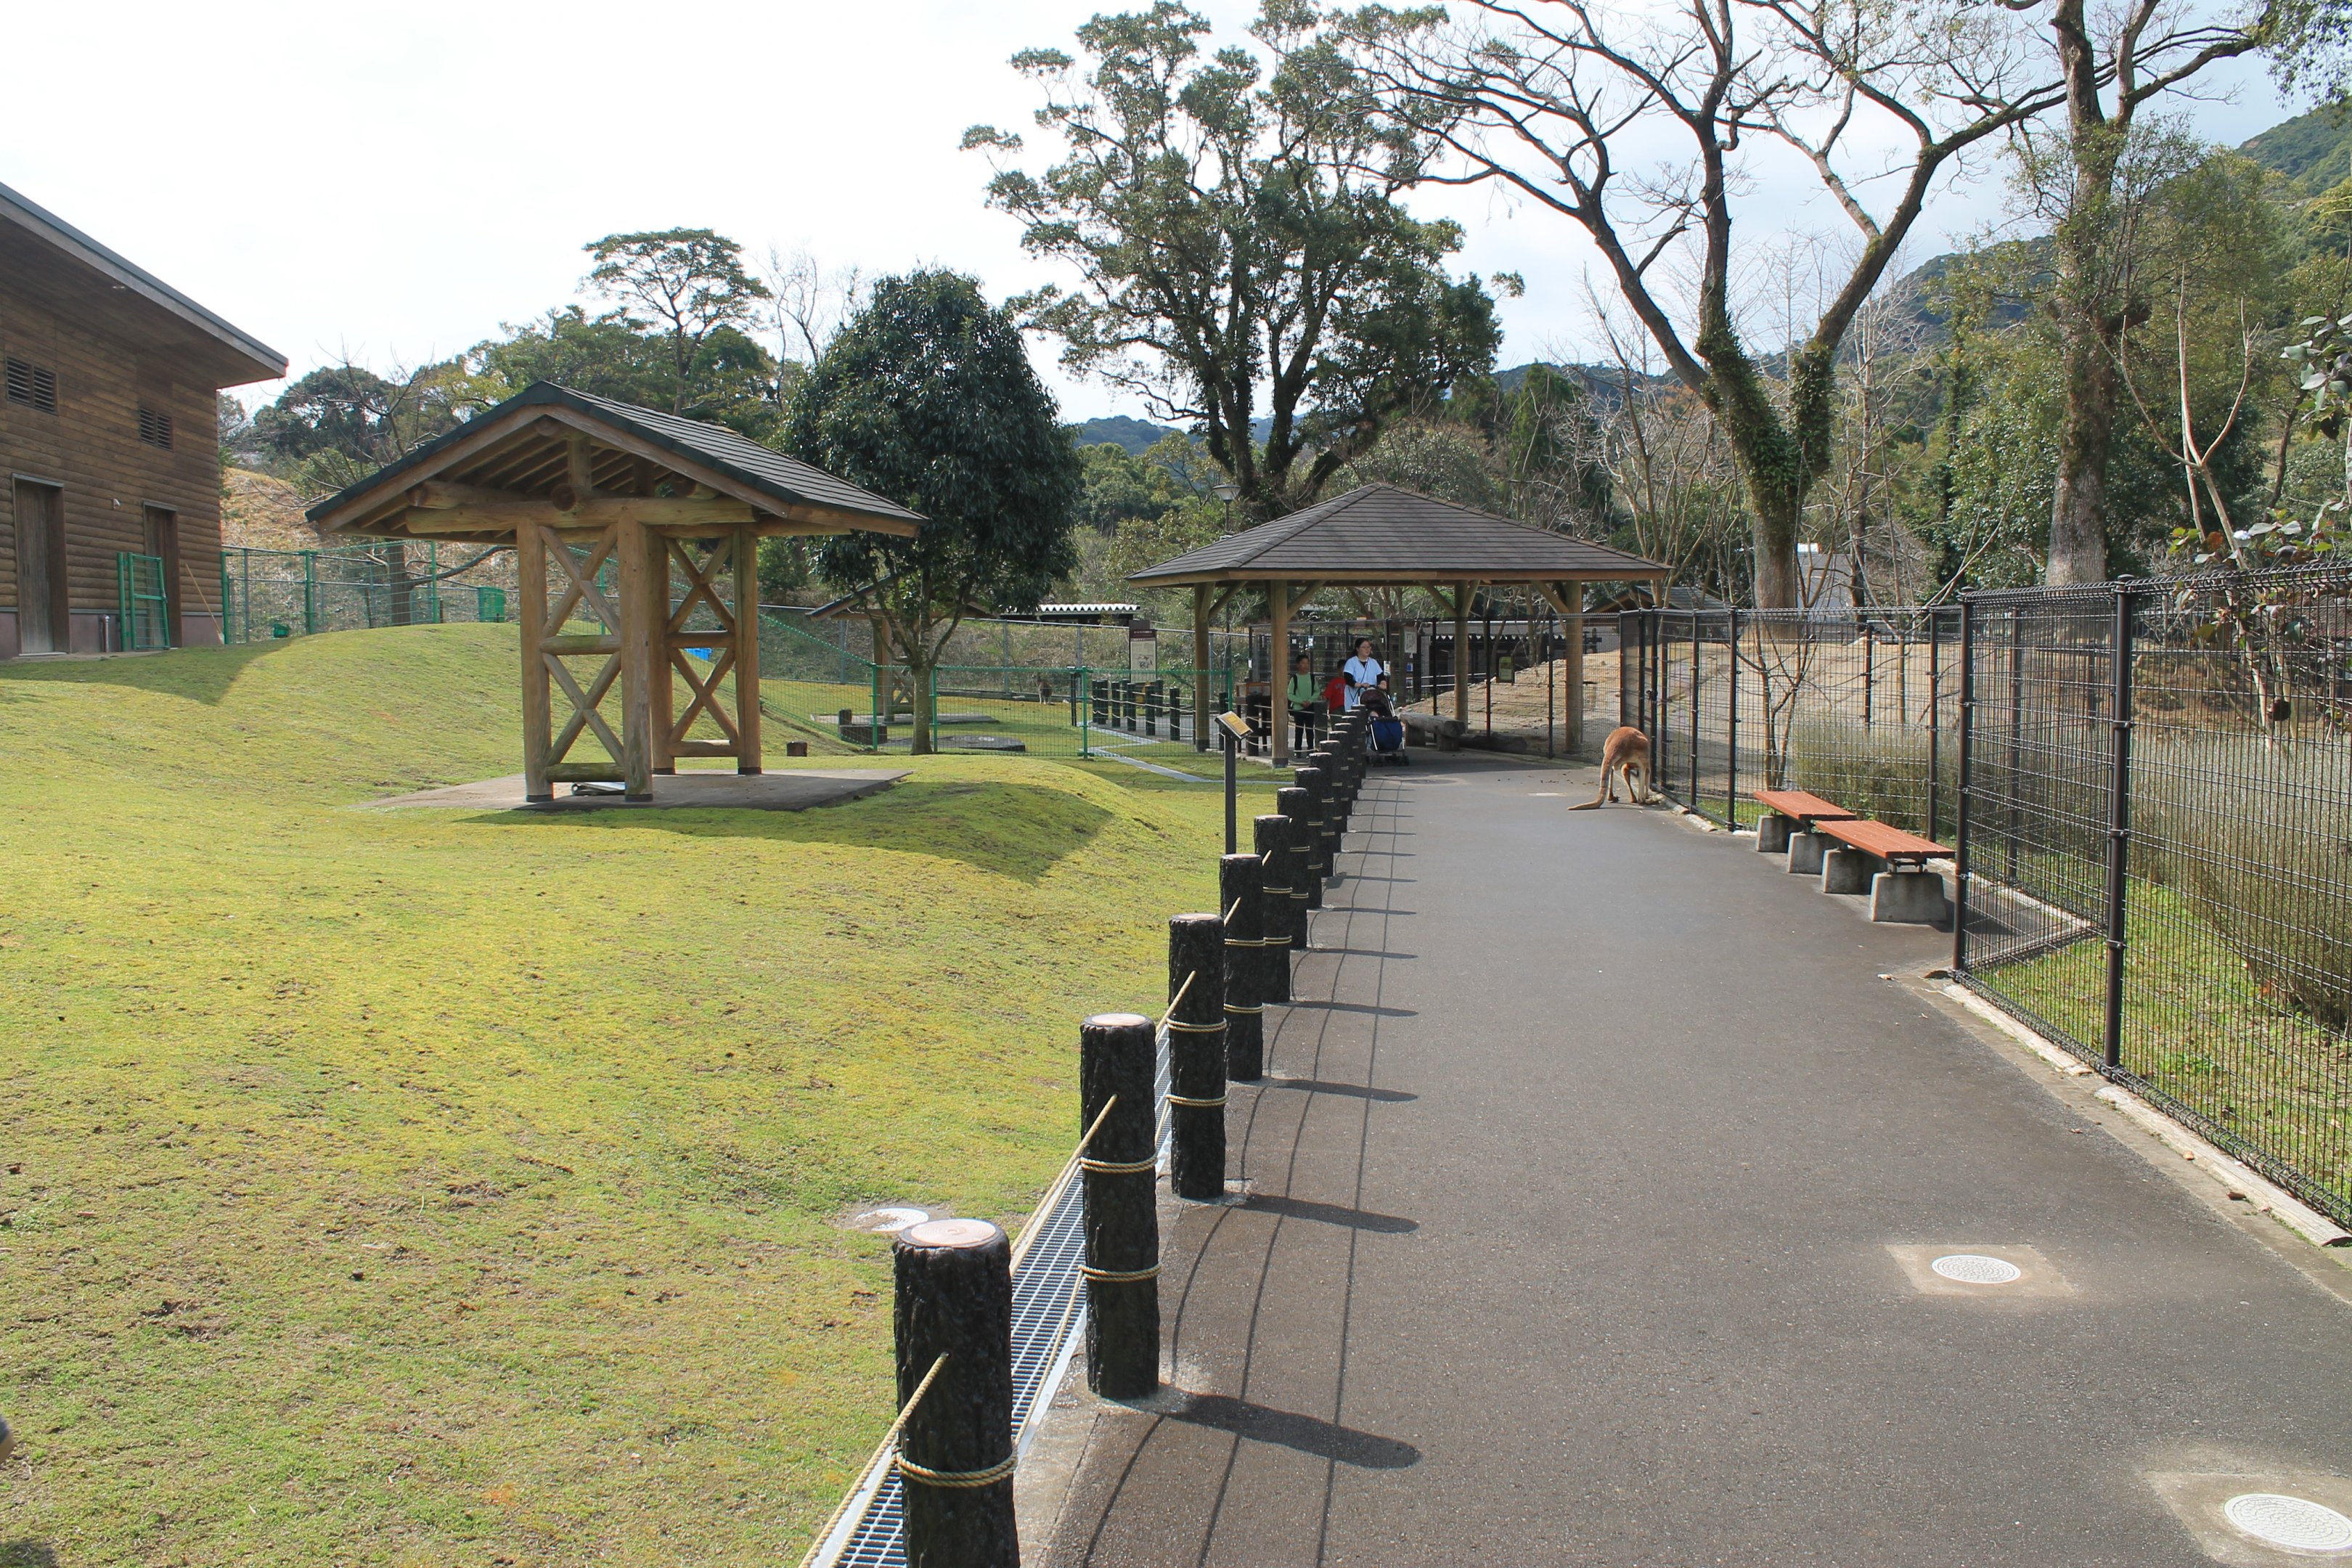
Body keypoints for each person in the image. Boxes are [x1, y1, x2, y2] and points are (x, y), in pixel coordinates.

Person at [1286, 651, 1319, 751]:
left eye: (1307, 663)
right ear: (1298, 665)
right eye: (1303, 663)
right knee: (1299, 730)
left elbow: (1317, 691)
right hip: (1298, 708)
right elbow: (1290, 694)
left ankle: (1310, 750)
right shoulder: (1294, 679)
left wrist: (1310, 700)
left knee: (1310, 730)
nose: (1305, 665)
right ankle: (1298, 750)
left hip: (1310, 707)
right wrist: (1300, 701)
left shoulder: (1312, 678)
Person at [1341, 639, 1385, 711]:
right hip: (1354, 695)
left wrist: (1383, 683)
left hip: (1371, 696)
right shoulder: (1351, 662)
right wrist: (1359, 685)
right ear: (1358, 649)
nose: (1367, 649)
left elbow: (1380, 676)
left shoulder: (1373, 662)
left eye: (1369, 647)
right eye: (1364, 647)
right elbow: (1348, 679)